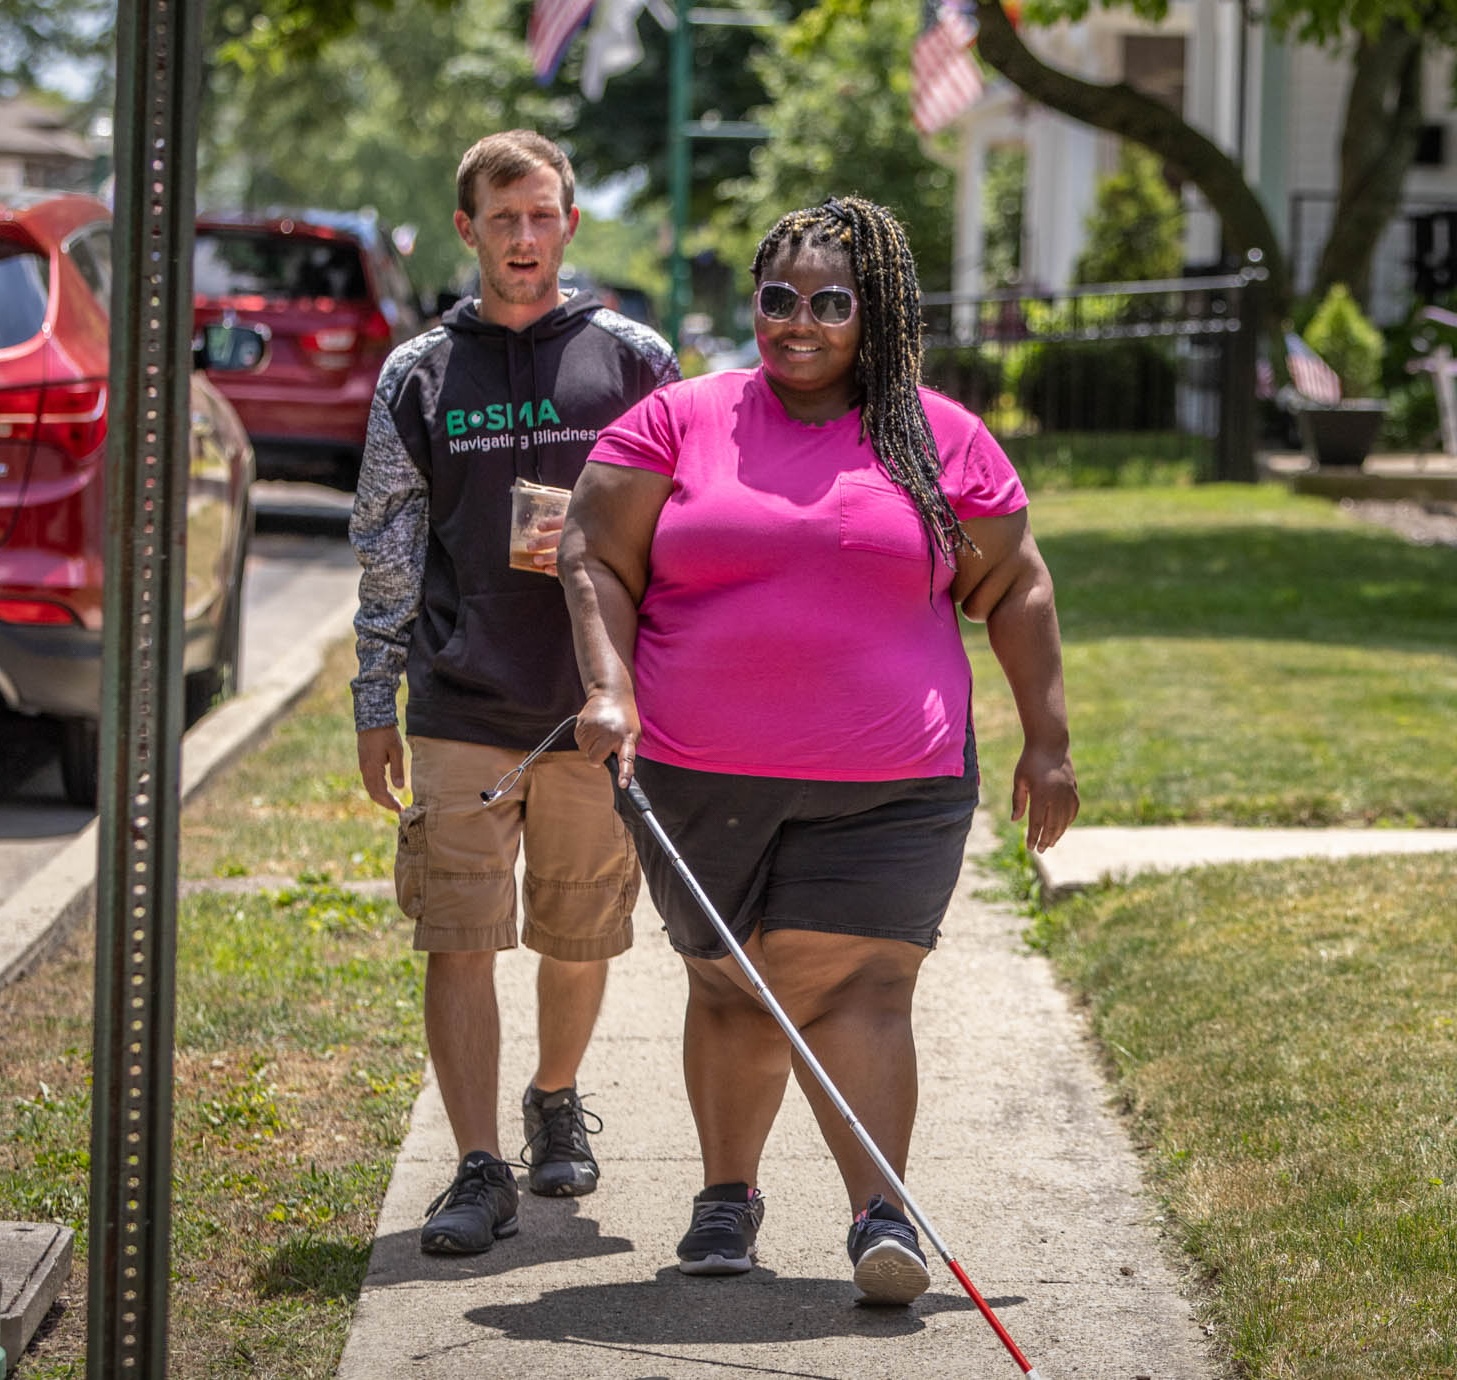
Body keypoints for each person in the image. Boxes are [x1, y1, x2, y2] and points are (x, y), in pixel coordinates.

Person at [559, 195, 1078, 1303]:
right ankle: (727, 1195)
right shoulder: (676, 421)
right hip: (699, 776)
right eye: (777, 299)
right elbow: (590, 554)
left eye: (831, 303)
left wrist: (1048, 742)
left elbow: (1013, 581)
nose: (798, 322)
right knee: (730, 986)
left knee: (858, 987)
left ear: (875, 312)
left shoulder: (941, 438)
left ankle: (880, 1216)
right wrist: (608, 692)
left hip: (894, 784)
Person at [349, 130, 679, 1256]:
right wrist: (370, 701)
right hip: (459, 701)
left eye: (541, 216)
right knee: (458, 934)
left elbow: (683, 536)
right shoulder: (418, 374)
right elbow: (386, 550)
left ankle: (554, 1096)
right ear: (467, 230)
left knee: (579, 929)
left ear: (569, 224)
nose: (523, 238)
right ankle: (477, 1164)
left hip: (592, 705)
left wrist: (659, 686)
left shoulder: (635, 360)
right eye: (503, 219)